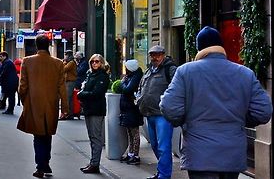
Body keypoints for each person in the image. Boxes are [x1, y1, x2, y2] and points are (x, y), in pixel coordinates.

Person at [160, 26, 273, 179]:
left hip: (199, 153)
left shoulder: (185, 72)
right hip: (232, 153)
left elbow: (169, 108)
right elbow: (264, 111)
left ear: (199, 48)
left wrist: (185, 121)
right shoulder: (245, 73)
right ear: (221, 46)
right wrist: (240, 119)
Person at [17, 34, 68, 178]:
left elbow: (22, 86)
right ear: (49, 45)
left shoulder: (27, 61)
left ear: (36, 45)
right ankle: (45, 162)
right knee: (47, 134)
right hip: (51, 104)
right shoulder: (58, 63)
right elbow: (62, 88)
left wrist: (25, 102)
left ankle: (41, 165)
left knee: (38, 136)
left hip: (34, 103)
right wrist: (65, 108)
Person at [136, 45, 176, 179]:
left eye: (158, 54)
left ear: (163, 55)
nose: (155, 57)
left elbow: (177, 89)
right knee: (154, 145)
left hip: (162, 115)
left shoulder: (170, 69)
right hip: (149, 113)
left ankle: (164, 175)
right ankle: (162, 171)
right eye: (152, 55)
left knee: (163, 147)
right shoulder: (148, 71)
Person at [77, 54, 110, 174]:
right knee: (92, 137)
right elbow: (86, 88)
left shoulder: (103, 76)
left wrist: (81, 94)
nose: (94, 64)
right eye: (92, 62)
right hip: (88, 109)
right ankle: (93, 162)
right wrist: (83, 93)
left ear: (101, 63)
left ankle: (95, 164)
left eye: (97, 62)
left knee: (96, 137)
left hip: (96, 110)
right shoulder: (90, 74)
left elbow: (96, 93)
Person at [117, 59, 144, 165]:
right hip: (128, 108)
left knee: (134, 133)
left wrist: (122, 84)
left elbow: (127, 89)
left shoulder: (135, 77)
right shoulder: (131, 76)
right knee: (130, 133)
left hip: (132, 108)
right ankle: (131, 153)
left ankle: (135, 155)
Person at [60, 50, 77, 120]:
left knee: (67, 98)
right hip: (68, 81)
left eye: (66, 55)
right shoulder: (69, 62)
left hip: (70, 82)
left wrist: (63, 62)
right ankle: (70, 113)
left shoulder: (71, 62)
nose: (65, 56)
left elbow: (64, 69)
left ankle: (66, 114)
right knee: (69, 99)